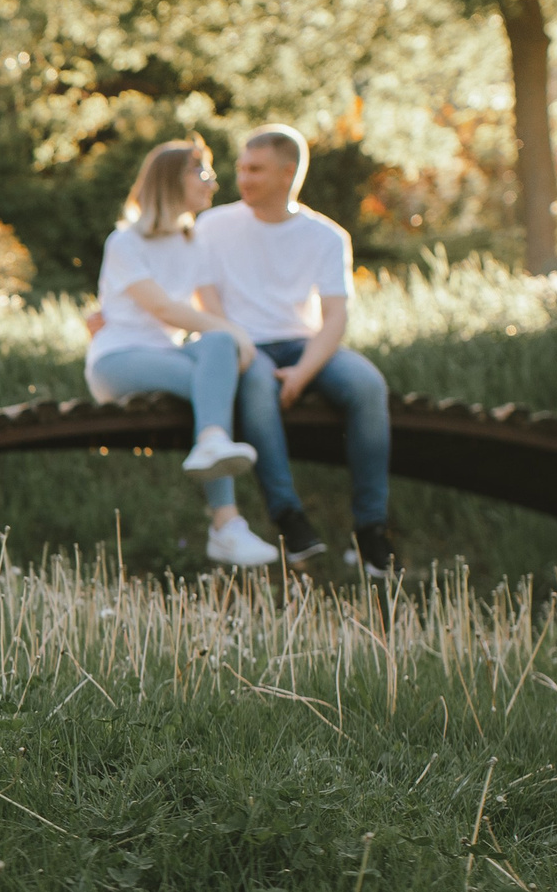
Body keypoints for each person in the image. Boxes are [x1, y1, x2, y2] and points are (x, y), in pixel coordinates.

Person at [201, 127, 397, 576]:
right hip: (242, 342)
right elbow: (205, 301)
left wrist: (304, 373)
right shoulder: (214, 226)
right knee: (256, 387)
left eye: (256, 169)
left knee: (368, 386)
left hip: (302, 343)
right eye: (242, 168)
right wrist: (239, 342)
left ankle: (371, 527)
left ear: (288, 172)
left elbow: (334, 318)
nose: (243, 178)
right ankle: (289, 517)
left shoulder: (326, 236)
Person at [83, 140, 279, 567]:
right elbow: (163, 308)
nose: (213, 183)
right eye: (202, 174)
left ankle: (220, 486)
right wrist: (233, 335)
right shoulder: (126, 241)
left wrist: (232, 342)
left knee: (219, 348)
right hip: (120, 358)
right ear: (173, 181)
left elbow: (209, 314)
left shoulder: (196, 243)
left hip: (170, 355)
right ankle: (225, 524)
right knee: (214, 374)